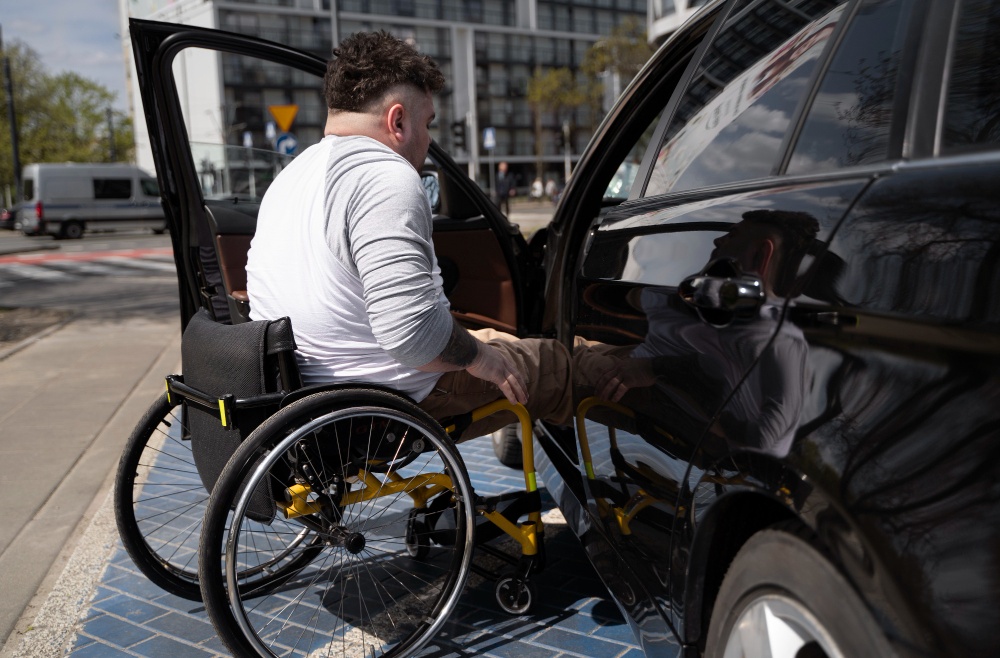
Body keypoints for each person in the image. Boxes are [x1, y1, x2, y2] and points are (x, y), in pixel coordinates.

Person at [246, 31, 572, 439]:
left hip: (305, 399)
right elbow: (413, 337)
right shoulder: (384, 176)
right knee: (562, 364)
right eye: (427, 122)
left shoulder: (291, 176)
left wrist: (478, 350)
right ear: (397, 120)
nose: (429, 139)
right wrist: (479, 359)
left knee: (497, 341)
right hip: (387, 398)